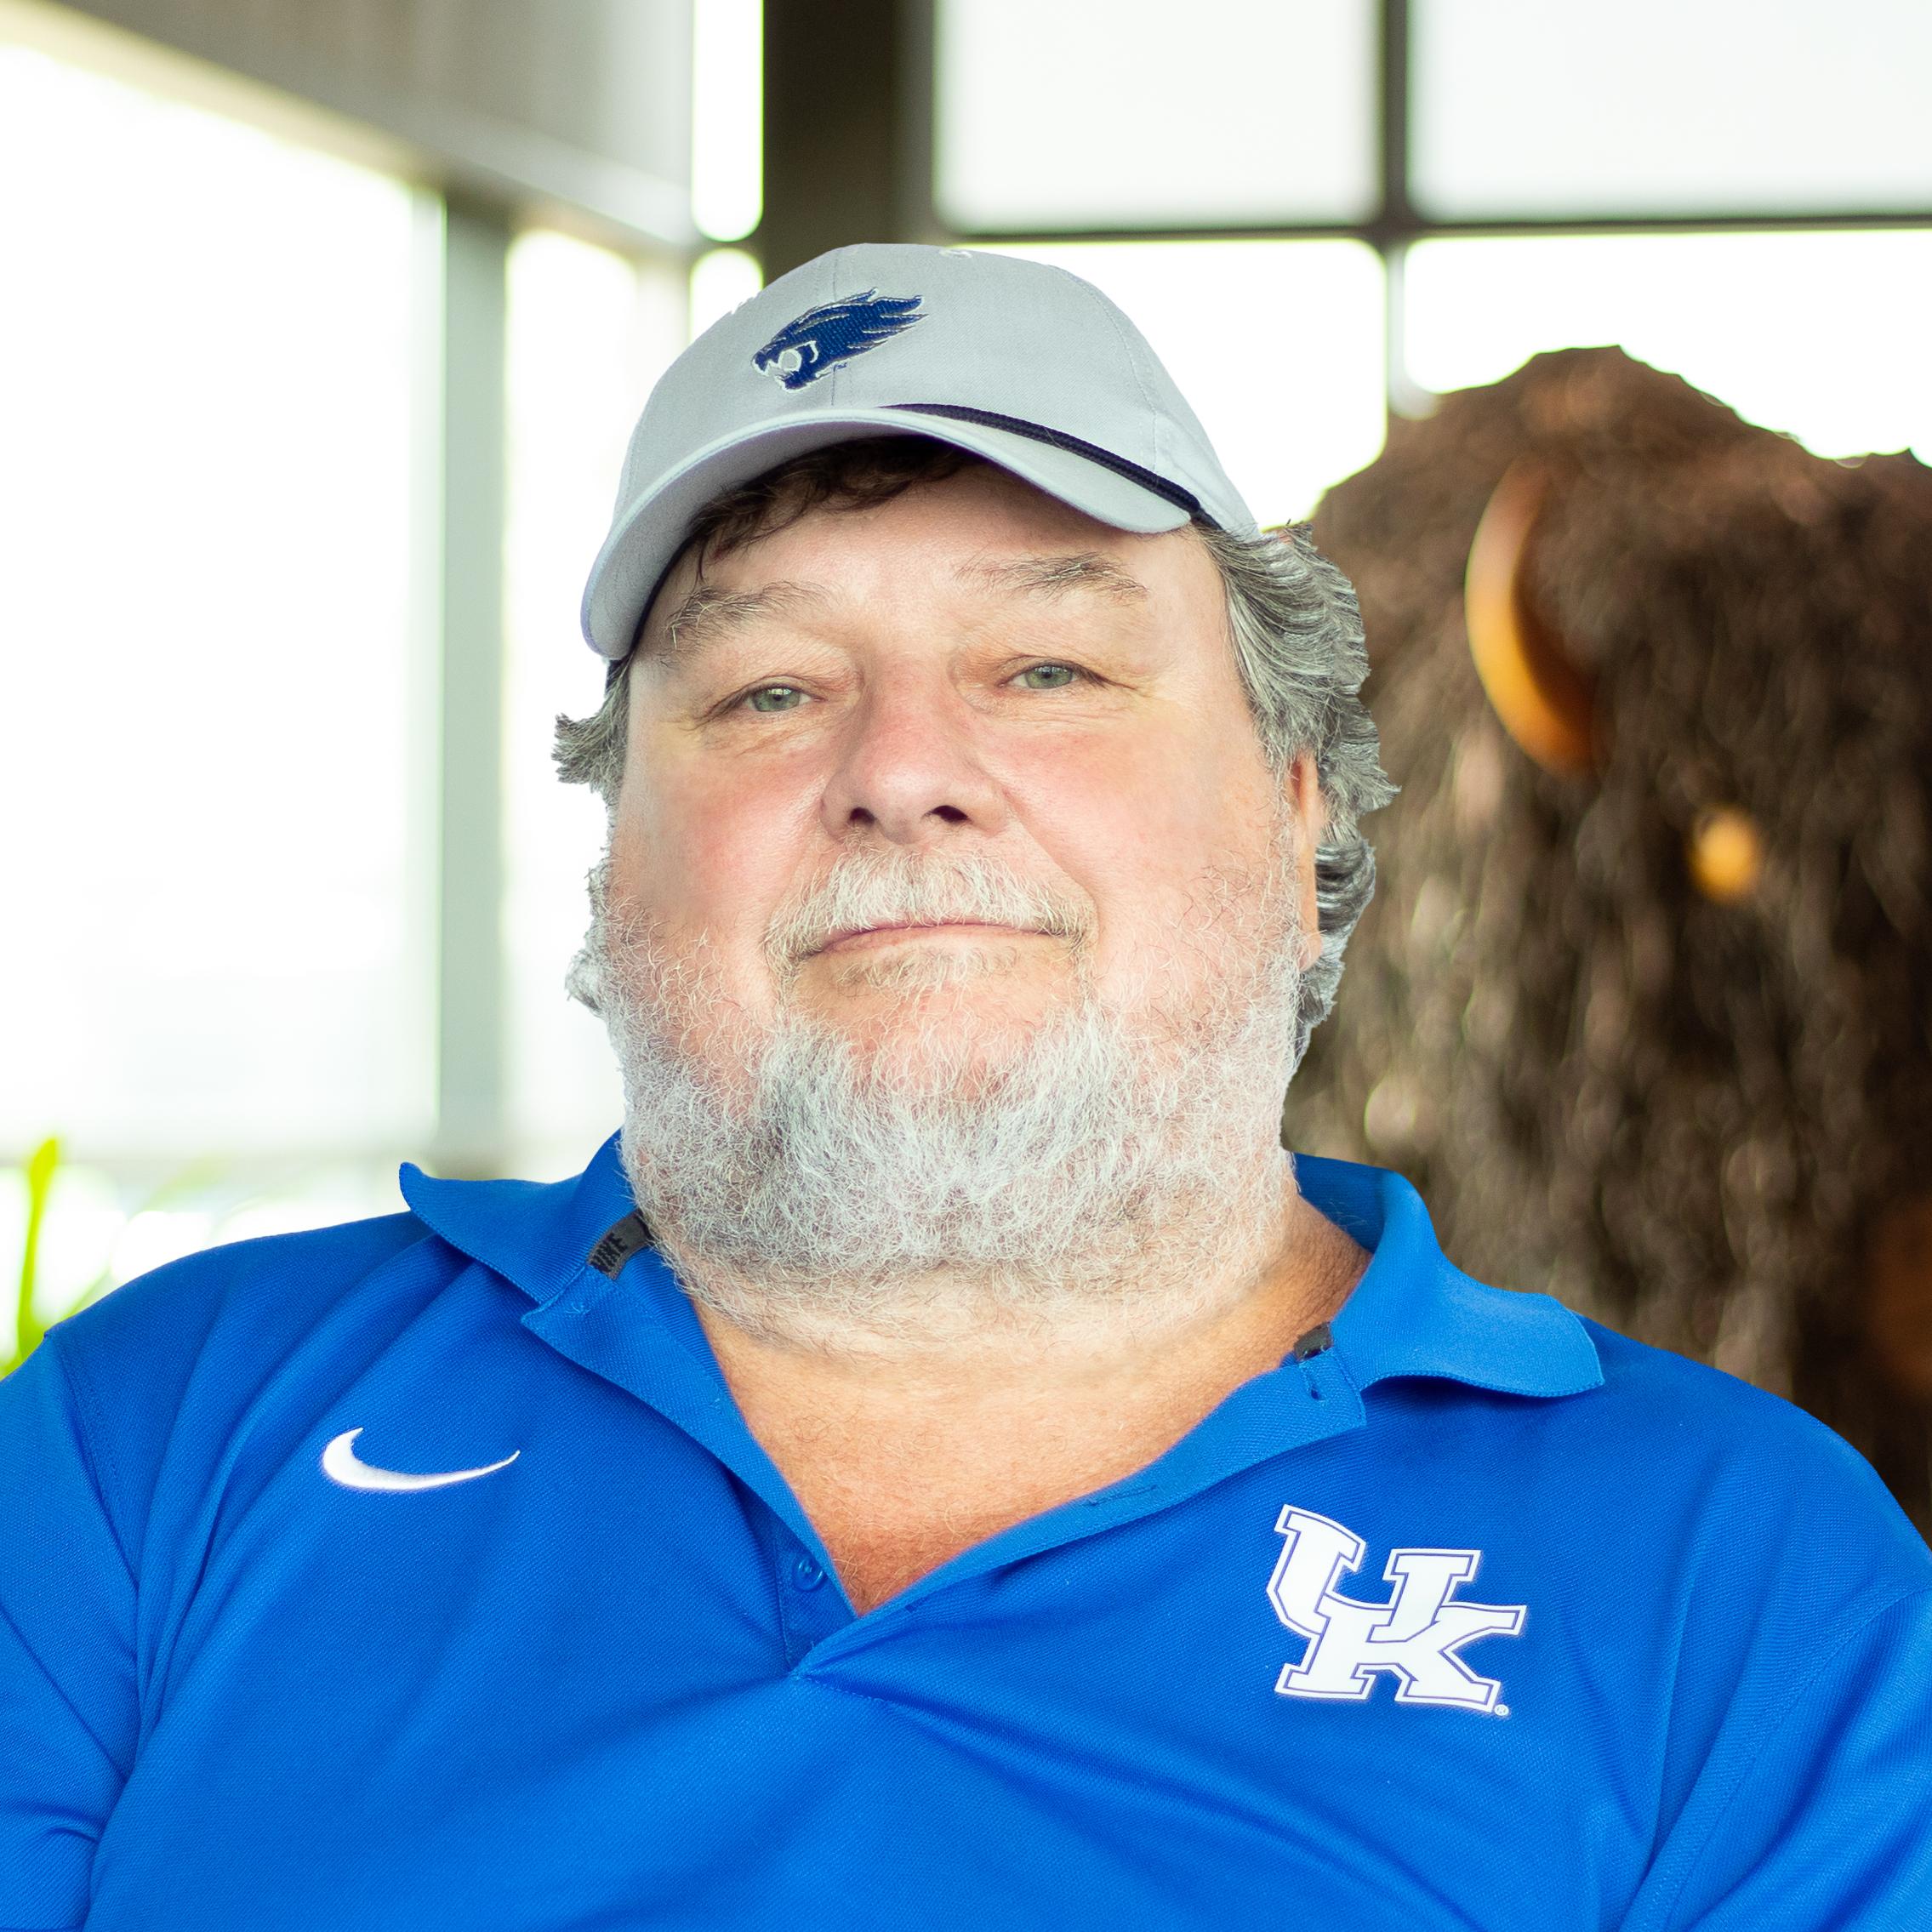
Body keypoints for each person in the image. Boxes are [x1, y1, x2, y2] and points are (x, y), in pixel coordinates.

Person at [2, 244, 1927, 1932]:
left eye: (1047, 667)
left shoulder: (1743, 1583)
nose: (902, 765)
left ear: (1294, 814)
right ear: (612, 862)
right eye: (766, 690)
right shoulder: (151, 1441)